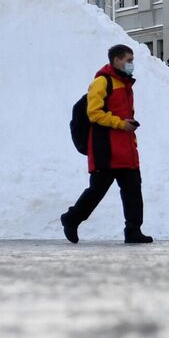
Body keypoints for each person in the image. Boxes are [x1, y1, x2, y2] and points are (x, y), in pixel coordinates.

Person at [61, 44, 152, 244]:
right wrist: (120, 123)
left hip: (125, 148)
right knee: (97, 190)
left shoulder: (125, 84)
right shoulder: (102, 82)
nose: (132, 64)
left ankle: (133, 230)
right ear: (116, 60)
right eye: (129, 60)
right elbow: (93, 113)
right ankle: (72, 218)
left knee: (133, 190)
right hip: (105, 149)